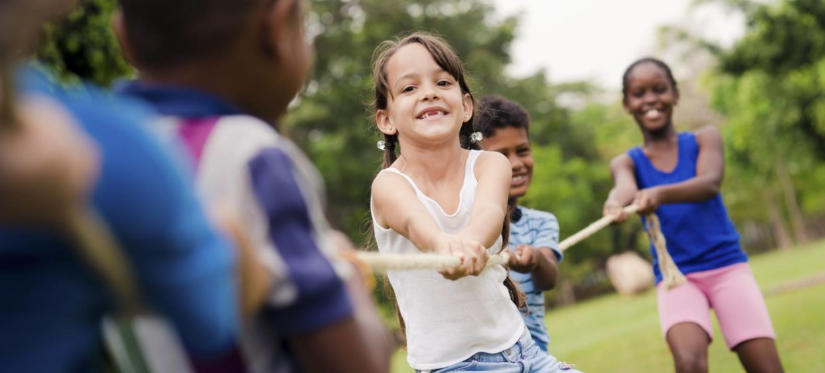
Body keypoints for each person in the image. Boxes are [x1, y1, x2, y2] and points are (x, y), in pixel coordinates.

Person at [113, 0, 392, 372]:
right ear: (276, 27)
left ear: (123, 36)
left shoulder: (94, 155)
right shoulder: (253, 157)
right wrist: (349, 281)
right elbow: (357, 365)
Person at [369, 32, 579, 373]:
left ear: (466, 106)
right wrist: (444, 248)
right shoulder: (389, 184)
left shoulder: (491, 164)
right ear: (386, 119)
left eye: (442, 82)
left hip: (523, 351)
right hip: (451, 366)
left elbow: (489, 214)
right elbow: (415, 223)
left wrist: (467, 244)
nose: (429, 92)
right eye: (409, 88)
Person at [602, 57, 784, 373]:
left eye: (659, 89)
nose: (650, 100)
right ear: (627, 104)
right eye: (639, 93)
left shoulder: (705, 139)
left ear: (675, 94)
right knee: (688, 362)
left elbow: (709, 183)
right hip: (677, 278)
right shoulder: (626, 162)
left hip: (727, 268)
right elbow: (624, 187)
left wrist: (659, 194)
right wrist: (614, 203)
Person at [477, 95, 561, 352]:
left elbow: (548, 279)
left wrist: (536, 259)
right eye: (501, 155)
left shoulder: (541, 222)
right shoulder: (466, 227)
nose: (516, 163)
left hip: (536, 357)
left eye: (522, 150)